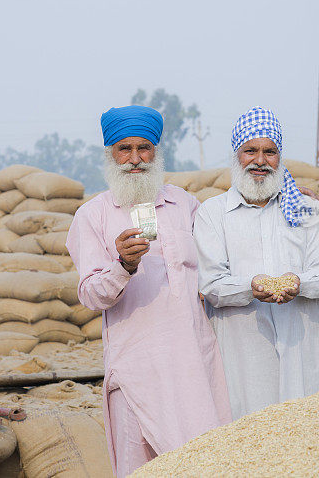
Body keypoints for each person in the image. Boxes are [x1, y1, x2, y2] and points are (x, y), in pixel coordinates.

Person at [65, 105, 231, 477]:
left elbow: (223, 258)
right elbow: (91, 295)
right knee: (140, 465)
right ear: (110, 153)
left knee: (203, 460)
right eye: (124, 149)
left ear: (157, 151)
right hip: (134, 368)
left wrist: (291, 201)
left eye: (144, 148)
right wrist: (122, 266)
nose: (135, 159)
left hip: (193, 362)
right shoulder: (93, 215)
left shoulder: (186, 205)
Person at [194, 106, 319, 420]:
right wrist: (250, 287)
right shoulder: (212, 213)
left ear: (280, 157)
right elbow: (211, 283)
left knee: (309, 437)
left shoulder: (306, 209)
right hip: (244, 356)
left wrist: (299, 284)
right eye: (250, 151)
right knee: (250, 440)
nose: (260, 161)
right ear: (236, 155)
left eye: (270, 152)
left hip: (303, 351)